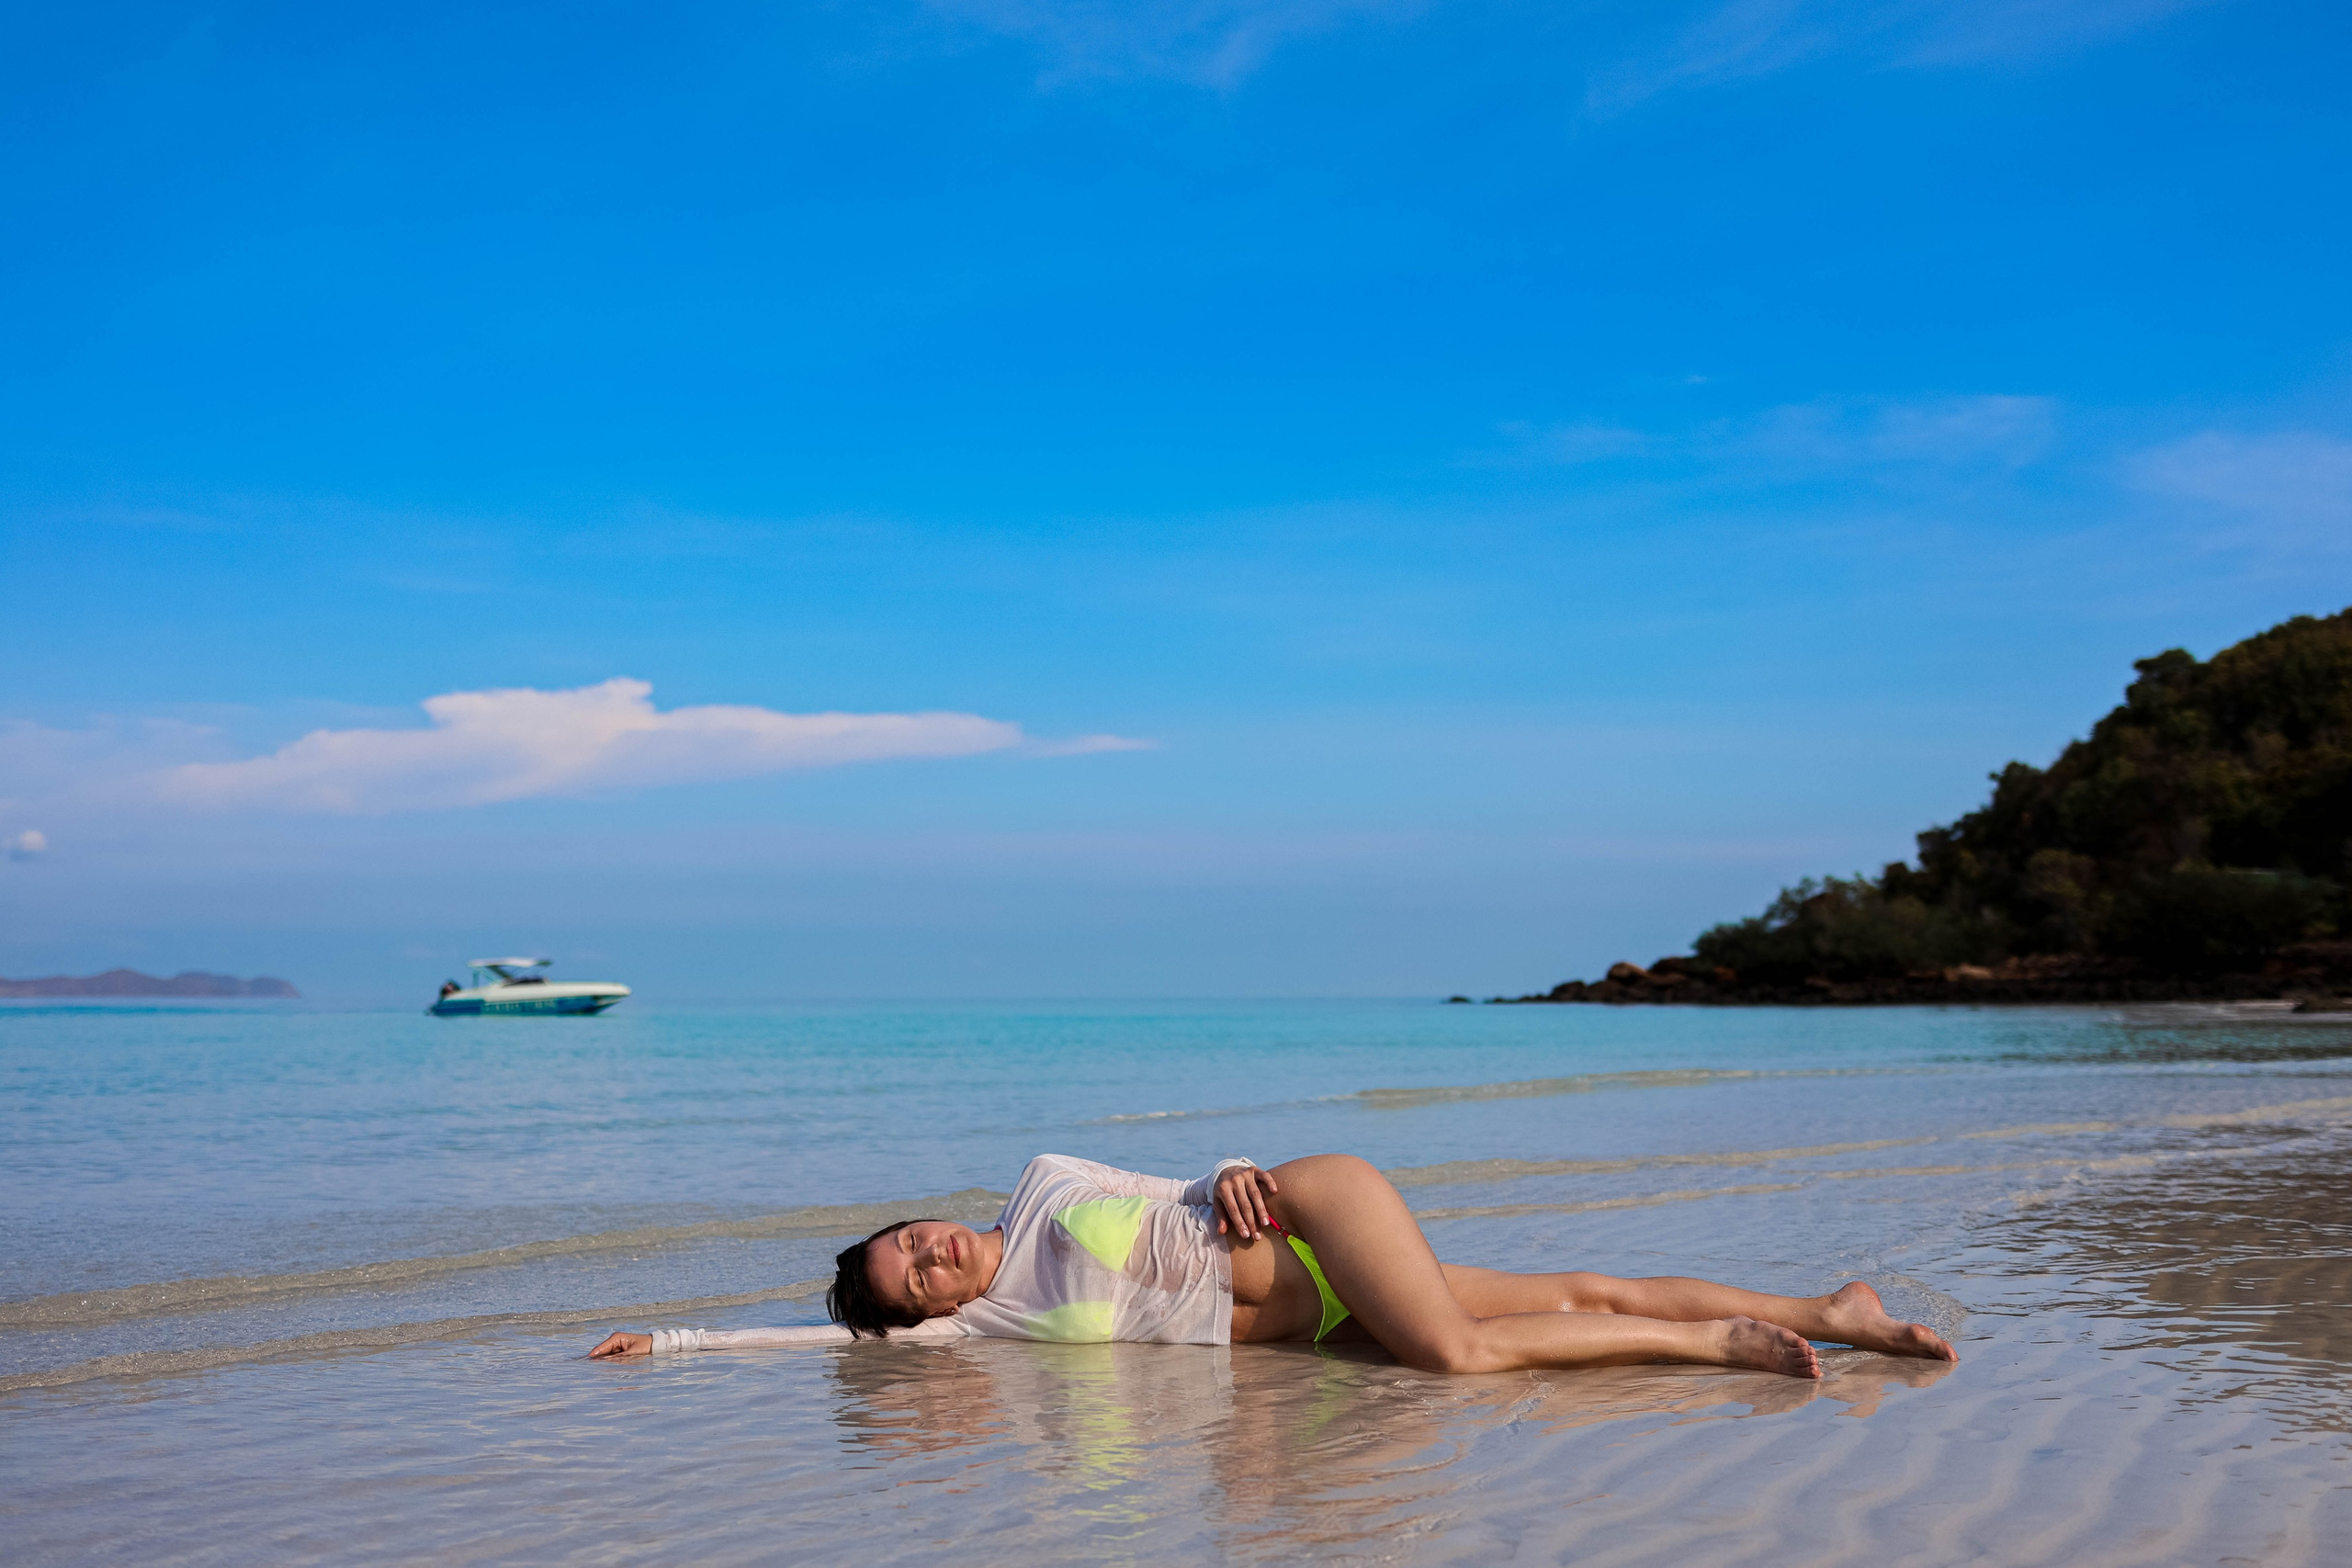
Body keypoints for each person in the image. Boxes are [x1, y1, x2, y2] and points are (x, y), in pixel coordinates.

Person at [588, 1153, 1957, 1376]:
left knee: (1458, 1357)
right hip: (1321, 1320)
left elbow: (1188, 1187)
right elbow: (834, 1341)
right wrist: (678, 1342)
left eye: (910, 1241)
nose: (930, 1261)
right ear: (929, 1314)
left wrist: (1238, 1169)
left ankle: (1716, 1347)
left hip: (1314, 1211)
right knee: (1578, 1294)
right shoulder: (984, 1331)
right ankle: (1832, 1312)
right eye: (918, 1283)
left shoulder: (1047, 1185)